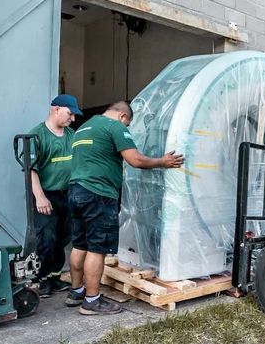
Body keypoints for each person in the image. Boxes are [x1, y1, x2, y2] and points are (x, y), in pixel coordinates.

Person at [65, 101, 184, 315]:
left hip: (76, 191)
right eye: (128, 124)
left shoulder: (83, 128)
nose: (126, 128)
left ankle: (76, 292)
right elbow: (135, 160)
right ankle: (92, 301)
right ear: (122, 116)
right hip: (98, 193)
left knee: (79, 244)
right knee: (96, 248)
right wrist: (163, 162)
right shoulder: (115, 127)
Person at [29, 94, 83, 297]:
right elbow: (31, 170)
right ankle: (40, 279)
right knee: (46, 238)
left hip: (67, 194)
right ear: (55, 110)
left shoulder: (71, 135)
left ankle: (54, 277)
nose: (73, 119)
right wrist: (40, 197)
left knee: (63, 236)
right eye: (70, 114)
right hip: (47, 195)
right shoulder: (37, 135)